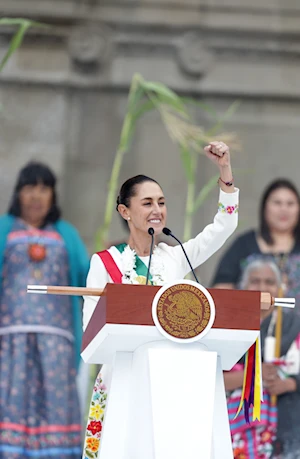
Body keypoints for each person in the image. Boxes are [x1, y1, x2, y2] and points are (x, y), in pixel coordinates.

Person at [82, 140, 239, 458]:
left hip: (173, 381)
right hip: (125, 379)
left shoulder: (175, 256)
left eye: (162, 202)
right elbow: (90, 332)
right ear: (125, 211)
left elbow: (224, 226)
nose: (157, 210)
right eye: (147, 203)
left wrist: (224, 171)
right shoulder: (105, 263)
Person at [0, 162, 90, 458]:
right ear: (18, 194)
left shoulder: (66, 234)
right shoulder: (4, 229)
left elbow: (89, 277)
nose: (36, 196)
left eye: (43, 189)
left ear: (52, 195)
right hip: (8, 341)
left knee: (55, 402)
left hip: (57, 343)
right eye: (30, 188)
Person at [224, 259, 300, 459]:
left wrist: (290, 383)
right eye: (255, 281)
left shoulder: (294, 325)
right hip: (233, 427)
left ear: (279, 288)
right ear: (243, 286)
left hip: (287, 428)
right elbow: (209, 376)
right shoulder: (226, 326)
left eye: (269, 282)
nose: (262, 288)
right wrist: (253, 375)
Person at [212, 179, 300, 314]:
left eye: (290, 203)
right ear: (265, 207)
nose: (284, 209)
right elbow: (220, 291)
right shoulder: (243, 244)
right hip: (249, 328)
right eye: (277, 203)